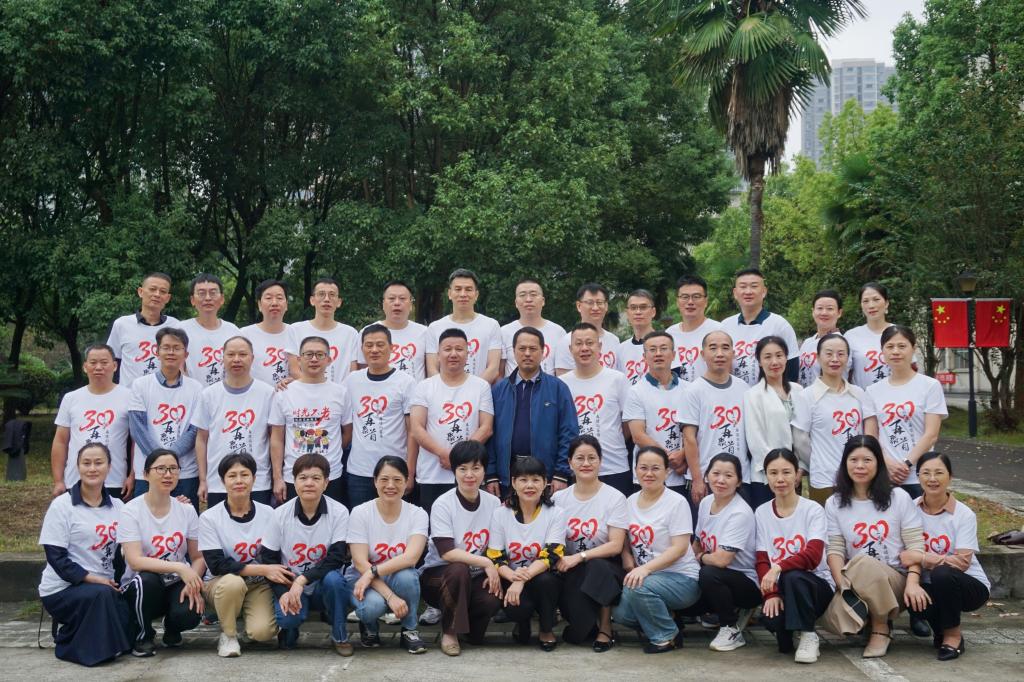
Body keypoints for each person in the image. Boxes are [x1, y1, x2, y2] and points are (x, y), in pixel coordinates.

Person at [822, 436, 928, 658]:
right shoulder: (835, 503)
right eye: (854, 460)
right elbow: (835, 550)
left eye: (867, 460)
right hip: (855, 581)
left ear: (879, 463)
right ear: (845, 463)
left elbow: (916, 545)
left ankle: (881, 627)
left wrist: (913, 582)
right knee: (835, 619)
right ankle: (868, 618)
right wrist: (843, 587)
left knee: (864, 562)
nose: (860, 466)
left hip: (896, 582)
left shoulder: (898, 497)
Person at [38, 443, 131, 666]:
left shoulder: (118, 506)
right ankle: (70, 646)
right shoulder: (62, 506)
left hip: (106, 587)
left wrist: (176, 503)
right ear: (77, 467)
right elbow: (56, 558)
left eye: (98, 463)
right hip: (63, 589)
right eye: (86, 463)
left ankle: (88, 634)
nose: (92, 468)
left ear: (109, 467)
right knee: (101, 596)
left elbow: (144, 523)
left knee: (130, 630)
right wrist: (93, 579)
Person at [259, 453, 352, 655]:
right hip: (289, 584)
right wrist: (283, 592)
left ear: (326, 483)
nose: (309, 483)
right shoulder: (279, 514)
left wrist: (302, 580)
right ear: (294, 482)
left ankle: (340, 634)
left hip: (321, 584)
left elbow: (336, 558)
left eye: (316, 478)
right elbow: (269, 560)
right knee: (287, 619)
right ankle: (289, 630)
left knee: (335, 580)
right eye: (303, 478)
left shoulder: (339, 512)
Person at [613, 445, 701, 654]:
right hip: (648, 578)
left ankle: (667, 636)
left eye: (655, 468)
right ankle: (667, 618)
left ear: (667, 471)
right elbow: (624, 537)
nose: (649, 473)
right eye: (643, 468)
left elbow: (680, 548)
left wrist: (645, 569)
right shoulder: (629, 501)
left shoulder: (676, 502)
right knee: (620, 614)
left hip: (682, 579)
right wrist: (626, 556)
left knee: (638, 588)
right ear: (635, 470)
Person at [119, 449, 206, 657]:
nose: (168, 474)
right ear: (146, 474)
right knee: (146, 581)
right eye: (160, 469)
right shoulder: (130, 510)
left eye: (173, 469)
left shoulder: (187, 510)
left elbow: (198, 557)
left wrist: (192, 581)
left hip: (175, 582)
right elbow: (135, 561)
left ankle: (172, 628)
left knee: (191, 611)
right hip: (142, 584)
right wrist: (179, 567)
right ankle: (143, 635)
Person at [419, 441, 503, 656]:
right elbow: (447, 552)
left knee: (491, 597)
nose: (469, 475)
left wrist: (491, 566)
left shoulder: (494, 503)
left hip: (474, 577)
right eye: (462, 469)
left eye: (476, 468)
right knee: (458, 569)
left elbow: (498, 545)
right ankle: (450, 633)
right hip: (438, 577)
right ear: (454, 471)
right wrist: (486, 562)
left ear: (484, 470)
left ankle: (469, 631)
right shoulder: (443, 504)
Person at [754, 448, 835, 664]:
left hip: (815, 587)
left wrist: (778, 567)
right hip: (781, 587)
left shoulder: (813, 510)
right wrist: (771, 594)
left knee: (793, 576)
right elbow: (762, 559)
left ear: (797, 474)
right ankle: (788, 633)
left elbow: (813, 556)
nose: (780, 479)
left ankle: (808, 634)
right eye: (773, 473)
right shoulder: (761, 512)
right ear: (766, 476)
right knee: (774, 624)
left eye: (786, 472)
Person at [198, 453, 283, 657]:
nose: (239, 481)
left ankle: (245, 624)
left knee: (263, 633)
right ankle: (228, 635)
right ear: (222, 481)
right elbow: (217, 564)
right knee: (233, 583)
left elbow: (273, 555)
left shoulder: (269, 513)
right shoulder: (209, 517)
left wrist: (264, 572)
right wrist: (264, 570)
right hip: (220, 582)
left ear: (254, 479)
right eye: (232, 475)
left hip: (257, 584)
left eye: (244, 475)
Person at [908, 452, 991, 660]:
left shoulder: (964, 514)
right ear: (918, 477)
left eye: (939, 473)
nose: (932, 479)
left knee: (942, 574)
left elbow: (962, 562)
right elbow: (905, 555)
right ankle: (941, 632)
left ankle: (953, 636)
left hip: (968, 586)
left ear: (950, 477)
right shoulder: (910, 509)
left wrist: (924, 558)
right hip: (928, 584)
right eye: (926, 473)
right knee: (907, 590)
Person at [552, 435, 627, 651]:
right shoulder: (559, 499)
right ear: (570, 463)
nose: (586, 463)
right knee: (578, 634)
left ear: (600, 461)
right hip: (570, 570)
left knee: (597, 567)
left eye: (592, 458)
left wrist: (580, 556)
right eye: (580, 458)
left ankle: (605, 628)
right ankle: (583, 625)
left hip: (607, 567)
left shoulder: (615, 497)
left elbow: (615, 545)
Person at [348, 456, 430, 654]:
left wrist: (373, 571)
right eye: (384, 479)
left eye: (397, 480)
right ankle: (370, 627)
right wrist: (389, 595)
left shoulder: (417, 514)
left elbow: (411, 558)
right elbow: (360, 562)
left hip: (394, 575)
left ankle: (409, 630)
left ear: (407, 482)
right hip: (362, 577)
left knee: (407, 577)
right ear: (375, 481)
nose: (390, 485)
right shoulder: (360, 513)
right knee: (372, 607)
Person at [487, 326, 578, 497]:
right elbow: (490, 434)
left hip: (546, 478)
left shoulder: (558, 388)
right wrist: (491, 474)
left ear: (543, 352)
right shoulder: (498, 390)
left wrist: (561, 472)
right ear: (514, 352)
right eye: (522, 348)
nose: (527, 353)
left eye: (533, 349)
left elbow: (569, 432)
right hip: (507, 477)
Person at [486, 455, 566, 651]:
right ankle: (522, 622)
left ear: (545, 483)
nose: (530, 485)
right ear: (513, 483)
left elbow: (551, 555)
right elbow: (496, 556)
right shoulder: (500, 514)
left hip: (542, 577)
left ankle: (546, 629)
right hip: (510, 576)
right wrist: (514, 578)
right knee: (516, 609)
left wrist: (521, 580)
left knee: (546, 582)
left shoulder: (556, 513)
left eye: (536, 480)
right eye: (523, 480)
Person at [409, 328, 494, 512]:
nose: (453, 354)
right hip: (432, 475)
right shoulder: (424, 387)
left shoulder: (481, 386)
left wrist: (459, 459)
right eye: (447, 349)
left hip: (470, 474)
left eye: (459, 349)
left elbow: (486, 428)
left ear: (468, 354)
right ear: (438, 354)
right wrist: (443, 454)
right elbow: (416, 428)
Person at [792, 334, 878, 504]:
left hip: (858, 477)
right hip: (825, 479)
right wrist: (818, 461)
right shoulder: (806, 396)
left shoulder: (859, 393)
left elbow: (869, 434)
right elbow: (800, 440)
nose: (835, 359)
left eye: (841, 354)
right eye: (829, 353)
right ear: (818, 358)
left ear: (848, 358)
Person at [863, 325, 947, 498]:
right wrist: (887, 464)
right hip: (885, 474)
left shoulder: (930, 386)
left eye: (902, 346)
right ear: (882, 351)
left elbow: (931, 434)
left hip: (921, 474)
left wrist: (906, 464)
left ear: (913, 349)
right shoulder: (872, 391)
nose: (896, 352)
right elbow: (871, 435)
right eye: (890, 346)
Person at [194, 336, 276, 508]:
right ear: (222, 358)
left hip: (258, 482)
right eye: (231, 354)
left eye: (242, 354)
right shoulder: (209, 395)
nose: (236, 359)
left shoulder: (267, 393)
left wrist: (277, 477)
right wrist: (203, 479)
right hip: (219, 482)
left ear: (252, 358)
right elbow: (201, 439)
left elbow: (274, 438)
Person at [270, 335, 352, 504]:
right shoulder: (284, 393)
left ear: (329, 360)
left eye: (320, 355)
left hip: (331, 475)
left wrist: (330, 450)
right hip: (294, 475)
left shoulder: (341, 393)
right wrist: (277, 477)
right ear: (299, 360)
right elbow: (277, 438)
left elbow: (347, 433)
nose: (314, 359)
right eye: (308, 354)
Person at [128, 327, 203, 510]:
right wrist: (161, 461)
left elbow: (195, 429)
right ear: (157, 351)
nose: (171, 352)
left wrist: (169, 460)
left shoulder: (196, 388)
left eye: (177, 348)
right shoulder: (140, 385)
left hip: (185, 473)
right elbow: (137, 428)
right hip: (148, 472)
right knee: (146, 519)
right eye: (166, 347)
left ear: (186, 354)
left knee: (184, 519)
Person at [691, 454, 760, 652]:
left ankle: (730, 628)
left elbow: (721, 560)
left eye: (728, 476)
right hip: (718, 576)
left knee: (709, 573)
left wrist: (700, 558)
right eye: (716, 474)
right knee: (685, 595)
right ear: (707, 476)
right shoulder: (706, 503)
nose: (721, 480)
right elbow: (697, 542)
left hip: (746, 583)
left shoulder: (739, 512)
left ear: (738, 482)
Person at [344, 324, 417, 509]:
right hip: (359, 471)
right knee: (360, 522)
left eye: (380, 344)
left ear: (391, 348)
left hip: (395, 471)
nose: (374, 350)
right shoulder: (352, 380)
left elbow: (412, 431)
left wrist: (409, 471)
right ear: (362, 349)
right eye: (369, 345)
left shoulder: (406, 382)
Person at [560, 323, 633, 496]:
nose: (584, 348)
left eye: (590, 343)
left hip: (614, 467)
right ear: (570, 349)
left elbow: (628, 423)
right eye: (578, 343)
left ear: (600, 346)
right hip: (576, 469)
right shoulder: (561, 383)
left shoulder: (617, 379)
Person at [51, 344, 133, 499]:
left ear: (115, 366)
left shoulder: (129, 397)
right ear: (85, 366)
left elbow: (136, 441)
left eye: (104, 362)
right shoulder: (71, 398)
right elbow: (60, 441)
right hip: (76, 479)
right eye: (93, 362)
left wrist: (132, 475)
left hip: (115, 481)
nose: (98, 367)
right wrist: (58, 480)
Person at [681, 330, 749, 511]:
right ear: (702, 354)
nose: (719, 353)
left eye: (725, 348)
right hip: (707, 479)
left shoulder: (743, 388)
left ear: (733, 353)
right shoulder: (693, 391)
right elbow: (689, 438)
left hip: (739, 477)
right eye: (713, 348)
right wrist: (697, 479)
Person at [624, 331, 688, 497]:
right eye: (652, 349)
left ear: (673, 355)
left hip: (683, 472)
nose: (658, 353)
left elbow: (698, 432)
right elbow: (638, 436)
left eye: (664, 348)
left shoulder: (690, 389)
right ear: (644, 357)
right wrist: (669, 460)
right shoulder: (636, 391)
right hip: (649, 473)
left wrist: (683, 455)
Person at [743, 336, 803, 508]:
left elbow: (804, 433)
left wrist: (799, 468)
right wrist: (777, 471)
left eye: (779, 355)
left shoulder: (798, 391)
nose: (774, 362)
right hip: (765, 475)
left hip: (794, 473)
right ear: (759, 361)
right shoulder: (753, 395)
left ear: (786, 357)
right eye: (767, 357)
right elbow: (755, 439)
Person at [719, 268, 799, 386]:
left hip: (769, 395)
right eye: (743, 286)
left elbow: (792, 368)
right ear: (735, 293)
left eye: (754, 286)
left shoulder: (779, 325)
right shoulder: (725, 326)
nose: (748, 291)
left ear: (764, 291)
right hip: (734, 395)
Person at [426, 268, 502, 383]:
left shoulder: (491, 325)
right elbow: (432, 369)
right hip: (443, 392)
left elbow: (493, 368)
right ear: (449, 294)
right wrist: (447, 389)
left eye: (468, 289)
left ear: (476, 295)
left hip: (479, 392)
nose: (463, 294)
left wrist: (472, 389)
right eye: (458, 289)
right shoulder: (435, 328)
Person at [107, 272, 179, 387]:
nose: (157, 294)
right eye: (152, 289)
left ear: (167, 298)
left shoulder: (176, 326)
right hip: (130, 395)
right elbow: (112, 362)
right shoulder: (122, 324)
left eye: (162, 291)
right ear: (140, 292)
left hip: (165, 394)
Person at [291, 278, 360, 384]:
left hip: (340, 393)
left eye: (332, 295)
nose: (327, 299)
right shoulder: (295, 330)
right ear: (312, 300)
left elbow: (353, 373)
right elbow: (294, 370)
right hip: (305, 392)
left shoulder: (351, 334)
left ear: (339, 302)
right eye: (321, 294)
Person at [357, 281, 430, 380]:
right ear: (383, 304)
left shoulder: (425, 332)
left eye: (402, 299)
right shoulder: (367, 333)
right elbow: (362, 369)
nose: (397, 303)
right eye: (391, 298)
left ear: (411, 304)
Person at [179, 273, 240, 387]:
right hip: (192, 394)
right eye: (201, 293)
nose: (207, 298)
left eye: (213, 293)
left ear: (222, 299)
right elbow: (177, 366)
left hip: (226, 394)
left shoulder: (233, 331)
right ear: (192, 300)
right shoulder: (181, 330)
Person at [500, 278, 566, 377]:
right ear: (516, 303)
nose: (528, 299)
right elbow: (499, 373)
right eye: (522, 295)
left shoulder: (558, 332)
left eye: (533, 294)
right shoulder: (504, 332)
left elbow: (562, 373)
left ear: (543, 301)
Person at [240, 279, 298, 387]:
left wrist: (294, 380)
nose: (274, 303)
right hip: (255, 395)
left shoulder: (295, 333)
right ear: (259, 305)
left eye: (279, 298)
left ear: (286, 305)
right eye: (268, 298)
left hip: (287, 396)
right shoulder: (244, 335)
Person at [554, 283, 621, 375]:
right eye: (590, 303)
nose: (595, 308)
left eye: (599, 302)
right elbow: (563, 380)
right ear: (579, 306)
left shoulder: (614, 340)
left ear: (606, 306)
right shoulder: (567, 341)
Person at [668, 275, 721, 383]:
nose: (690, 302)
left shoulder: (718, 331)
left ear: (706, 301)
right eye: (685, 297)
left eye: (696, 296)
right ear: (677, 301)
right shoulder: (669, 334)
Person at [846, 282, 895, 389]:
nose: (871, 305)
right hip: (863, 397)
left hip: (896, 397)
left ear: (886, 303)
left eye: (876, 299)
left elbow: (911, 369)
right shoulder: (851, 336)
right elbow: (843, 373)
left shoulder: (899, 333)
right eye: (865, 301)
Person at [797, 290, 844, 388]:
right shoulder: (807, 342)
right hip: (805, 396)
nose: (824, 312)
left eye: (830, 309)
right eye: (819, 308)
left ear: (839, 313)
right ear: (813, 311)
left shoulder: (842, 343)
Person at [616, 289, 658, 386]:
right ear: (627, 313)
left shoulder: (664, 344)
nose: (638, 312)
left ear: (653, 312)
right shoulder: (621, 349)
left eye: (643, 307)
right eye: (633, 308)